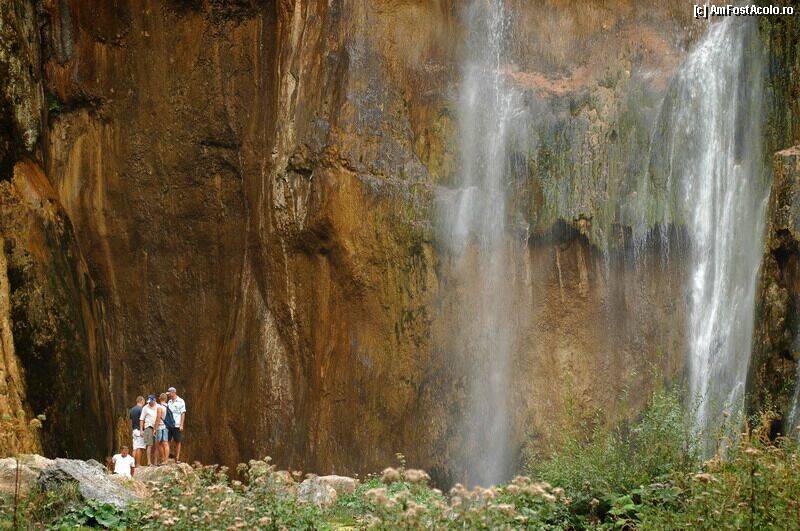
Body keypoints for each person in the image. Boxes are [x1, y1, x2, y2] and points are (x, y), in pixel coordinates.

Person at [167, 386, 186, 462]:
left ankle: (177, 458)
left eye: (169, 393)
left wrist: (181, 425)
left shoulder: (181, 401)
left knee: (177, 441)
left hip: (177, 425)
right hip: (169, 425)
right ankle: (167, 457)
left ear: (173, 392)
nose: (168, 395)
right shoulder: (169, 402)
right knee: (167, 441)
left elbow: (183, 413)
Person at [139, 395, 159, 466]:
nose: (149, 403)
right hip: (148, 427)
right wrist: (141, 430)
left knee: (156, 445)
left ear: (154, 400)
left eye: (151, 402)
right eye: (149, 402)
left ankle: (156, 462)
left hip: (157, 427)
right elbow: (141, 419)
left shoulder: (158, 406)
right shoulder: (145, 407)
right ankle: (149, 462)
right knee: (149, 445)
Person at [130, 396, 146, 466]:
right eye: (144, 401)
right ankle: (138, 464)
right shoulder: (141, 409)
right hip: (140, 430)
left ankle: (133, 465)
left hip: (134, 430)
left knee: (135, 448)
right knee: (139, 447)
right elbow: (142, 420)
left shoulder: (132, 409)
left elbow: (131, 420)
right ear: (141, 401)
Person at [156, 393, 170, 465]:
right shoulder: (168, 406)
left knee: (159, 443)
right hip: (167, 426)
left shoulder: (159, 407)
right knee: (165, 443)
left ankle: (163, 459)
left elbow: (158, 418)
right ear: (166, 399)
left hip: (160, 426)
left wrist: (155, 428)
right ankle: (166, 460)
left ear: (159, 398)